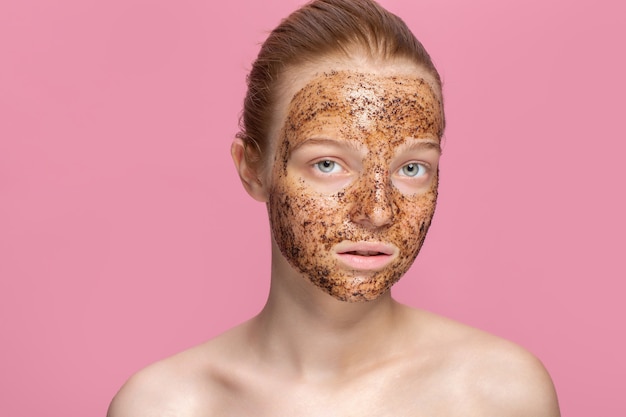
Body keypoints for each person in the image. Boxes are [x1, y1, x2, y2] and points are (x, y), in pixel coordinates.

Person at [108, 0, 560, 415]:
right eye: (328, 164)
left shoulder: (499, 395)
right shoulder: (165, 406)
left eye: (412, 168)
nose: (378, 210)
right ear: (252, 168)